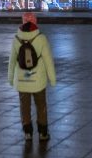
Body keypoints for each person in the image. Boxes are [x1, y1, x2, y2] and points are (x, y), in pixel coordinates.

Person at [8, 12, 56, 142]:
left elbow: (12, 61)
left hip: (22, 81)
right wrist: (52, 79)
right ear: (35, 22)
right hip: (38, 81)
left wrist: (10, 78)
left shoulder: (16, 39)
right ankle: (43, 133)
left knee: (24, 106)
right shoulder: (41, 38)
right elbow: (48, 61)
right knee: (41, 106)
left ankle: (27, 133)